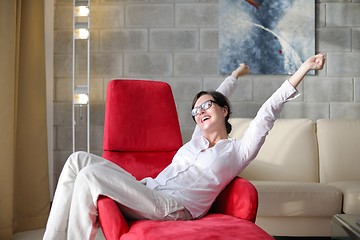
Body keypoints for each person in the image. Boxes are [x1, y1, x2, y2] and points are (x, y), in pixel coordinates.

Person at [43, 53, 325, 240]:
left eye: (207, 106)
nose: (200, 111)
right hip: (147, 189)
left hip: (174, 208)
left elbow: (269, 110)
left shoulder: (238, 151)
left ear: (224, 111)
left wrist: (304, 68)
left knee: (91, 176)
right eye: (195, 110)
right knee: (78, 160)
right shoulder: (195, 140)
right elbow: (219, 94)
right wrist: (236, 76)